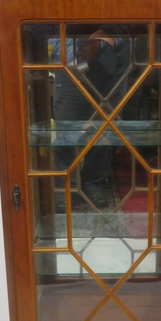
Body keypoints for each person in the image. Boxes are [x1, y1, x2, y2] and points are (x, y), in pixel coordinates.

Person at [49, 25, 132, 208]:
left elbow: (137, 20)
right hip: (69, 62)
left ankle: (94, 183)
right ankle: (64, 186)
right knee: (67, 127)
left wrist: (109, 36)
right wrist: (76, 54)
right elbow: (46, 26)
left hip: (114, 64)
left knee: (104, 128)